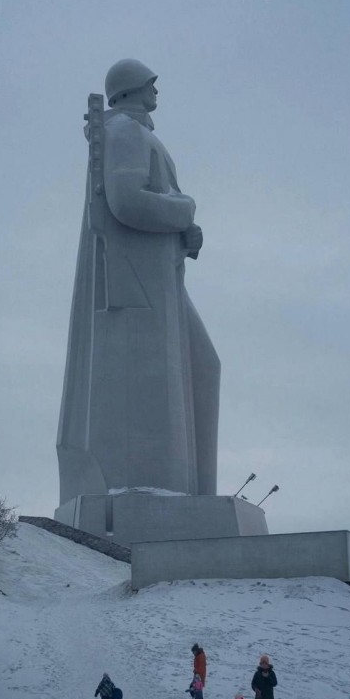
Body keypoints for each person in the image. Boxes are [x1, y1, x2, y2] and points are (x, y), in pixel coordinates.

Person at [57, 59, 220, 504]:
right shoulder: (126, 133)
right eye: (150, 84)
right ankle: (155, 489)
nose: (156, 91)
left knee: (203, 365)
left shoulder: (140, 135)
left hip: (158, 273)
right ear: (130, 90)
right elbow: (126, 201)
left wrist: (185, 235)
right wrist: (184, 210)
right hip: (136, 280)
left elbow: (146, 202)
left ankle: (195, 494)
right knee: (168, 375)